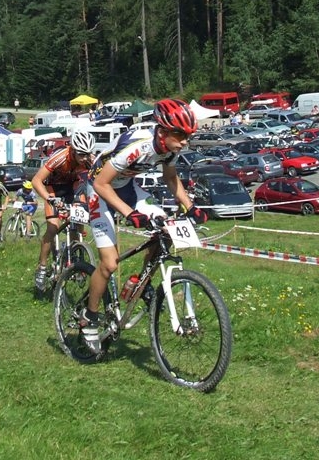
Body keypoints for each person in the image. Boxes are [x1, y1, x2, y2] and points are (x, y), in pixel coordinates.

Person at [79, 99, 209, 353]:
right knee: (109, 264)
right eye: (180, 135)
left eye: (188, 136)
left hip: (126, 188)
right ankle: (89, 316)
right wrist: (129, 213)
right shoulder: (138, 146)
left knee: (165, 228)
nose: (185, 142)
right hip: (99, 190)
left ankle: (141, 282)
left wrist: (190, 206)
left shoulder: (170, 147)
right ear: (163, 131)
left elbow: (170, 177)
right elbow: (102, 184)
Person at [30, 130, 96, 292]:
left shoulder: (90, 160)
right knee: (53, 228)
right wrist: (49, 198)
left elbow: (99, 182)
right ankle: (42, 267)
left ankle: (75, 255)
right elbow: (36, 180)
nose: (85, 158)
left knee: (78, 222)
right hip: (52, 188)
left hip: (72, 187)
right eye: (81, 154)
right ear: (73, 150)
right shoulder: (60, 157)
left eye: (88, 154)